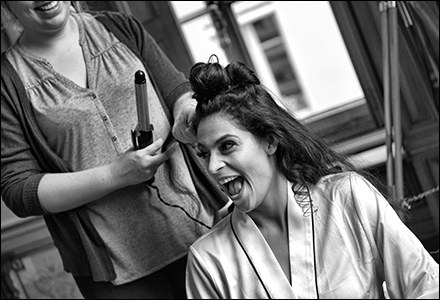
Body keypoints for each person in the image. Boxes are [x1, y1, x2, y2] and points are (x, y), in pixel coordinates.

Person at [1, 2, 229, 299]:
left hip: (202, 231)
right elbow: (20, 190)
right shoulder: (7, 82)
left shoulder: (121, 28)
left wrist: (187, 113)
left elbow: (177, 92)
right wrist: (116, 174)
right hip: (117, 274)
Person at [184, 55, 440, 299]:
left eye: (227, 146)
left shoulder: (346, 197)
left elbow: (425, 284)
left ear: (270, 142)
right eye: (204, 154)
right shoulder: (208, 259)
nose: (213, 166)